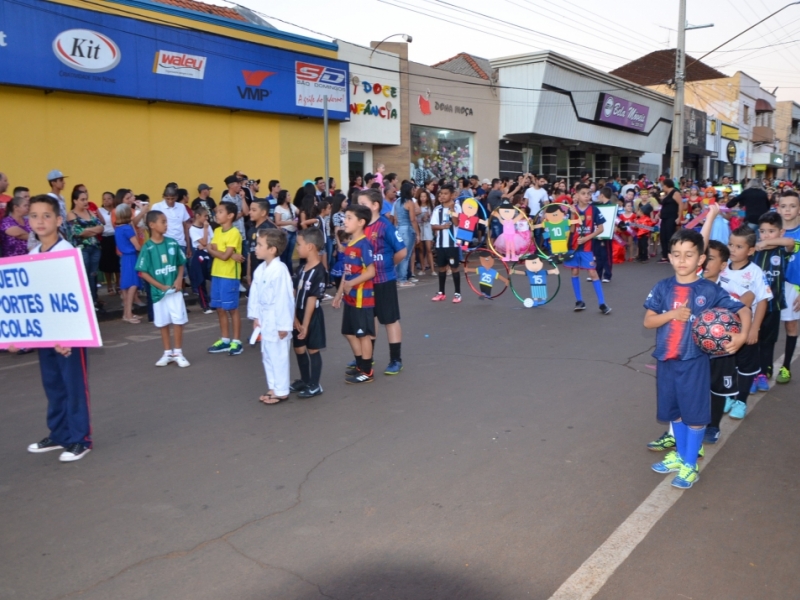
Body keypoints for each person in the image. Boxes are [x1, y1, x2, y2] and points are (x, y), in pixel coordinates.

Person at [644, 228, 750, 489]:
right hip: (666, 360)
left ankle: (690, 465)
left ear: (700, 259)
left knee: (694, 415)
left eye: (689, 255)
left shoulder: (709, 290)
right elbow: (648, 321)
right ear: (670, 257)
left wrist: (741, 335)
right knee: (675, 413)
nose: (682, 260)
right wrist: (672, 315)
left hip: (693, 362)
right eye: (677, 254)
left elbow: (743, 309)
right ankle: (681, 457)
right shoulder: (663, 287)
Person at [19, 195, 93, 462]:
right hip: (46, 334)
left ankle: (80, 439)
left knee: (73, 386)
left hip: (69, 335)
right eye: (34, 216)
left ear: (59, 220)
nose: (40, 221)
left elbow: (76, 298)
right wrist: (19, 335)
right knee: (53, 385)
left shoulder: (67, 252)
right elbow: (30, 299)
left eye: (46, 215)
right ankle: (59, 434)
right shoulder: (32, 254)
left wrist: (67, 335)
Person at [358, 188, 407, 376]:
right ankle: (367, 357)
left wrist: (388, 264)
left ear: (375, 205)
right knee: (370, 319)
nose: (359, 207)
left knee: (390, 319)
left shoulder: (385, 226)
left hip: (384, 280)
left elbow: (401, 251)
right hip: (366, 282)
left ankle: (396, 359)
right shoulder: (361, 226)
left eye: (363, 204)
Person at [135, 211, 190, 368]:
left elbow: (181, 263)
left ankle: (178, 352)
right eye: (163, 222)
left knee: (178, 320)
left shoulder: (172, 243)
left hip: (175, 292)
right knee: (163, 322)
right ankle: (167, 353)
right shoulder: (147, 248)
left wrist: (179, 279)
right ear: (152, 225)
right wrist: (160, 286)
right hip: (158, 294)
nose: (166, 224)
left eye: (166, 221)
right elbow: (143, 272)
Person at [248, 228, 294, 404]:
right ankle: (273, 386)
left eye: (260, 245)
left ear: (272, 249)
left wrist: (284, 325)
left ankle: (281, 390)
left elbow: (284, 299)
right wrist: (256, 317)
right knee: (267, 354)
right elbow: (254, 295)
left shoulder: (280, 270)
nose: (256, 248)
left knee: (279, 356)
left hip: (277, 318)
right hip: (265, 318)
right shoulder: (261, 269)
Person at [331, 204, 377, 384]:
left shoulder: (364, 244)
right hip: (350, 298)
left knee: (363, 334)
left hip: (362, 299)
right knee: (348, 332)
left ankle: (367, 371)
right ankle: (360, 364)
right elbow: (347, 272)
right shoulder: (349, 244)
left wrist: (351, 283)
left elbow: (371, 272)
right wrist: (339, 294)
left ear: (361, 222)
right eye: (345, 217)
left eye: (349, 218)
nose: (345, 221)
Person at [752, 211, 795, 392]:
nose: (766, 235)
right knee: (753, 340)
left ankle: (764, 372)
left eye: (771, 231)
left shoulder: (782, 251)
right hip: (754, 307)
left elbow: (790, 243)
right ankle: (752, 373)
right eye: (762, 231)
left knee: (768, 342)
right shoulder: (754, 251)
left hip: (773, 306)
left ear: (781, 232)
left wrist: (768, 242)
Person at [288, 228, 327, 399]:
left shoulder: (319, 271)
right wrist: (294, 316)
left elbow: (312, 299)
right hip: (298, 314)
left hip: (312, 316)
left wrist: (305, 324)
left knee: (312, 349)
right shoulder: (301, 268)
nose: (297, 248)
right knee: (298, 347)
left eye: (299, 244)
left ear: (310, 246)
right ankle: (304, 379)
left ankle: (315, 384)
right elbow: (293, 292)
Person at [564, 183, 611, 314]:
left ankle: (602, 303)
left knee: (592, 273)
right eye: (583, 193)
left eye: (589, 194)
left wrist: (587, 238)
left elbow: (601, 228)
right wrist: (572, 215)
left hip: (587, 247)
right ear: (577, 195)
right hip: (573, 246)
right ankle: (579, 301)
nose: (586, 196)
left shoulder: (594, 210)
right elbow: (571, 230)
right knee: (574, 271)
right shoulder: (572, 210)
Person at [207, 202, 245, 356]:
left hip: (229, 275)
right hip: (217, 273)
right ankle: (225, 340)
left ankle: (236, 341)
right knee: (220, 308)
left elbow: (222, 255)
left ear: (230, 216)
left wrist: (212, 250)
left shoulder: (234, 233)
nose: (217, 214)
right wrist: (226, 254)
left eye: (220, 211)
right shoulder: (217, 230)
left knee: (232, 309)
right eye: (217, 211)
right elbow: (218, 251)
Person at [776, 190, 800, 384]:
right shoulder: (772, 230)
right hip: (773, 284)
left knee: (790, 325)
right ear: (778, 208)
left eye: (792, 206)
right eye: (783, 206)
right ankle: (764, 367)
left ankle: (786, 367)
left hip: (794, 286)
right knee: (766, 326)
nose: (787, 210)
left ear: (799, 209)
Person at [67, 188, 104, 310]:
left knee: (93, 275)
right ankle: (86, 302)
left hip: (95, 247)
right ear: (75, 201)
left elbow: (101, 227)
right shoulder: (71, 214)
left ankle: (94, 300)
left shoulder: (90, 212)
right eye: (82, 200)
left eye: (86, 199)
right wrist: (93, 230)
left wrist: (88, 230)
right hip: (82, 249)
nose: (85, 202)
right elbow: (78, 232)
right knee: (84, 275)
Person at [430, 185, 463, 303]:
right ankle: (441, 292)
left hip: (452, 244)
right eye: (441, 193)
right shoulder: (437, 209)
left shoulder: (457, 207)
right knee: (442, 267)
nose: (442, 196)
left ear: (452, 195)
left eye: (445, 193)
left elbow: (457, 223)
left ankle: (457, 293)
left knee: (454, 267)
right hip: (440, 244)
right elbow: (433, 226)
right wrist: (443, 226)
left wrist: (452, 209)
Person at [114, 204, 142, 324]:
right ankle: (129, 314)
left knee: (126, 286)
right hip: (131, 257)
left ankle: (126, 313)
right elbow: (137, 246)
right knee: (133, 284)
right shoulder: (127, 228)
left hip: (125, 257)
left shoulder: (118, 228)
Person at [151, 185, 191, 258]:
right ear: (163, 197)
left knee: (182, 265)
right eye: (168, 199)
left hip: (180, 243)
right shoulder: (157, 207)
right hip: (164, 244)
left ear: (176, 197)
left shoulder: (181, 207)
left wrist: (188, 245)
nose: (170, 201)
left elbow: (185, 226)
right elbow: (152, 226)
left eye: (172, 198)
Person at [393, 181, 419, 287]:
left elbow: (395, 218)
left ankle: (397, 278)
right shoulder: (409, 202)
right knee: (406, 255)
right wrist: (418, 233)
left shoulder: (397, 202)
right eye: (413, 189)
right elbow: (413, 219)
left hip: (398, 228)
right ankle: (402, 279)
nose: (414, 191)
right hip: (407, 229)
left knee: (399, 254)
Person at [188, 206, 213, 314]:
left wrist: (206, 245)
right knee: (200, 281)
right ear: (198, 216)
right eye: (205, 216)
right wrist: (205, 230)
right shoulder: (193, 229)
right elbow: (203, 242)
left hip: (210, 254)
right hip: (199, 256)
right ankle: (205, 305)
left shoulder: (208, 226)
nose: (206, 218)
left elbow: (212, 241)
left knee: (213, 277)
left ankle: (214, 301)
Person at [246, 200, 275, 286]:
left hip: (266, 272)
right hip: (254, 269)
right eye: (250, 209)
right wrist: (248, 273)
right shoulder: (251, 228)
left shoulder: (269, 229)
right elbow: (250, 252)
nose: (250, 212)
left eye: (254, 210)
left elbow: (273, 255)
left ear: (263, 212)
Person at [97, 191, 119, 295]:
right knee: (107, 263)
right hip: (105, 238)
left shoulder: (117, 210)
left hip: (116, 237)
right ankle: (109, 285)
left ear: (113, 199)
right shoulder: (99, 211)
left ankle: (118, 284)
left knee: (117, 262)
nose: (106, 201)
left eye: (109, 198)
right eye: (104, 199)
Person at [0, 189, 31, 257]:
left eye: (28, 206)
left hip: (29, 258)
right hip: (11, 259)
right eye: (25, 206)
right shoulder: (6, 221)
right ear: (16, 207)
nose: (28, 208)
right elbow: (19, 234)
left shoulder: (28, 221)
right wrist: (36, 238)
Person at [592, 187, 615, 282]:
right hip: (598, 234)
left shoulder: (611, 207)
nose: (598, 197)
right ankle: (598, 274)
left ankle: (607, 275)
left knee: (606, 256)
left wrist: (605, 233)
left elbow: (612, 222)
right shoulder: (598, 206)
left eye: (599, 195)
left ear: (602, 195)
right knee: (597, 255)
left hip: (606, 236)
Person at [658, 179, 684, 263]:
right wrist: (659, 213)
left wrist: (679, 217)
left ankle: (671, 254)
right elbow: (664, 206)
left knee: (670, 236)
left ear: (666, 185)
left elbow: (680, 204)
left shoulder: (675, 193)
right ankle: (665, 255)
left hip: (671, 217)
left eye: (663, 185)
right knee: (663, 236)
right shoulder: (666, 194)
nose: (662, 187)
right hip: (664, 217)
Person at [221, 175, 248, 250]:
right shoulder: (226, 200)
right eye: (238, 183)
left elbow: (246, 212)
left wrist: (243, 198)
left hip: (242, 234)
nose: (240, 185)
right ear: (231, 186)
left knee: (244, 256)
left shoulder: (240, 197)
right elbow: (230, 218)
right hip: (232, 235)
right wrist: (241, 213)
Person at [274, 190, 298, 275]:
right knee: (283, 255)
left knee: (289, 255)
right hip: (285, 232)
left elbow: (299, 212)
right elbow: (277, 222)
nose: (290, 197)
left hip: (293, 232)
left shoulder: (291, 206)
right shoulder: (278, 208)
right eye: (288, 195)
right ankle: (283, 273)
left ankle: (289, 273)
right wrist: (291, 222)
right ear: (283, 197)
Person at [415, 188, 435, 276]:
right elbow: (415, 219)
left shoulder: (430, 207)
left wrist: (428, 217)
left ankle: (432, 269)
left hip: (428, 228)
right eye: (421, 196)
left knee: (429, 249)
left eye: (424, 196)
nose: (423, 198)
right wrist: (422, 218)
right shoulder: (417, 206)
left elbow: (433, 219)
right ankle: (423, 269)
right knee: (421, 250)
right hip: (419, 228)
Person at [46, 169, 69, 238]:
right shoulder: (49, 198)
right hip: (56, 231)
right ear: (53, 183)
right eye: (61, 180)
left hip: (65, 230)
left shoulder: (62, 197)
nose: (63, 182)